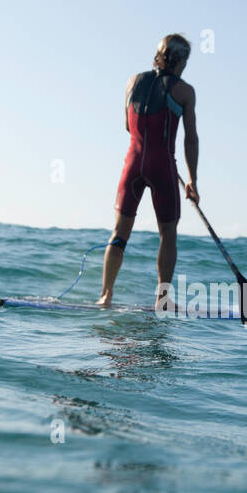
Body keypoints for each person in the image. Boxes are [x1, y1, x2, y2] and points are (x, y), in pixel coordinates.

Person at [96, 34, 199, 309]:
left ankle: (106, 295)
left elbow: (129, 127)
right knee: (168, 233)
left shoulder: (133, 81)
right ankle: (162, 299)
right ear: (179, 60)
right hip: (162, 164)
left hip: (132, 162)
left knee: (119, 232)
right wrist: (192, 180)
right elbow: (191, 139)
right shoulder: (185, 91)